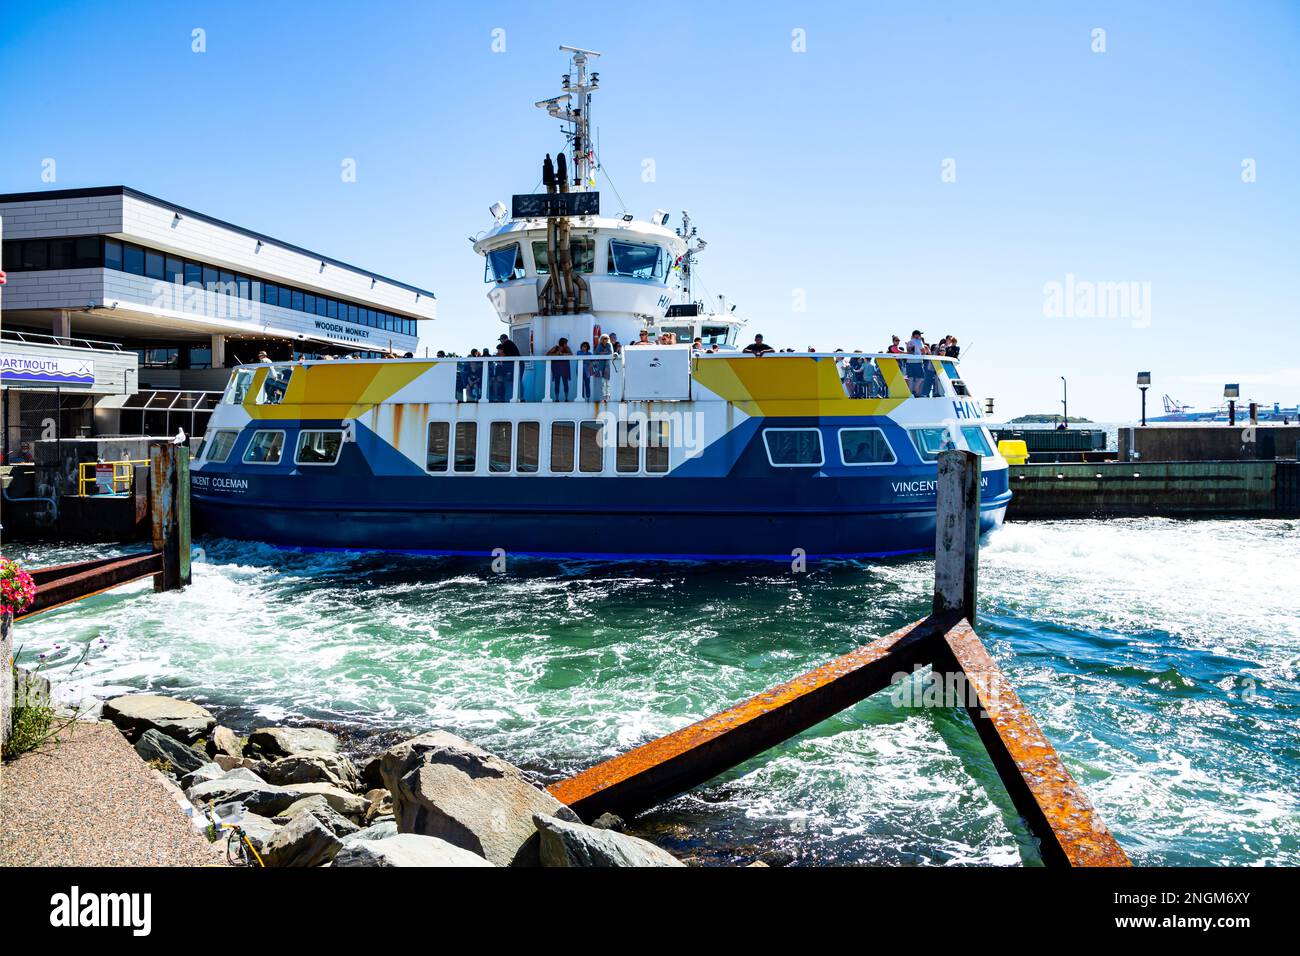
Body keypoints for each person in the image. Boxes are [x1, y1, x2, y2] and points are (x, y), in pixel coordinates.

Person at [591, 334, 613, 400]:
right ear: (601, 339)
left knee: (608, 381)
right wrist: (604, 352)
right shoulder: (599, 345)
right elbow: (596, 353)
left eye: (606, 338)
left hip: (608, 365)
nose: (605, 340)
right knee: (603, 382)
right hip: (601, 365)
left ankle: (608, 396)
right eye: (604, 338)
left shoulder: (609, 345)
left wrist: (602, 353)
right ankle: (604, 396)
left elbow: (610, 353)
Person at [906, 330, 927, 396]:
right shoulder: (918, 341)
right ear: (915, 335)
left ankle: (910, 394)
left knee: (911, 378)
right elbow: (923, 351)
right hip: (917, 362)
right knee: (921, 378)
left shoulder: (909, 342)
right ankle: (916, 390)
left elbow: (909, 351)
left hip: (909, 362)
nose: (920, 336)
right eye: (919, 334)